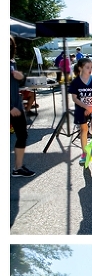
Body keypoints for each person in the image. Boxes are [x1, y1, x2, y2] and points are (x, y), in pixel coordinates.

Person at [68, 57, 92, 167]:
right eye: (87, 67)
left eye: (91, 67)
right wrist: (86, 107)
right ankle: (84, 153)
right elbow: (74, 98)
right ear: (80, 68)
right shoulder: (75, 82)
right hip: (81, 109)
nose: (90, 69)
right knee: (83, 130)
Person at [10, 38, 36, 178]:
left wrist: (21, 78)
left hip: (17, 106)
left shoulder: (12, 62)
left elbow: (17, 84)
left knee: (22, 135)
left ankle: (18, 167)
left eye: (10, 46)